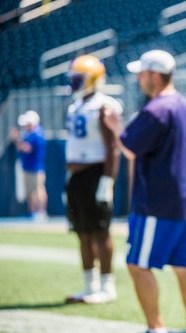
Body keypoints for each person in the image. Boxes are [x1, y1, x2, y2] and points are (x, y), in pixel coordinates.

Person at [103, 49, 186, 333]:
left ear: (154, 75)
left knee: (137, 264)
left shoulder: (157, 109)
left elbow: (129, 148)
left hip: (159, 203)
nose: (138, 78)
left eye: (142, 73)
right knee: (185, 267)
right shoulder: (183, 106)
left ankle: (156, 328)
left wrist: (114, 127)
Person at [64, 54, 122, 304]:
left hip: (95, 174)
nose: (75, 83)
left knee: (100, 233)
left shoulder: (104, 105)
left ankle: (108, 287)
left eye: (79, 79)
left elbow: (113, 148)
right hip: (76, 177)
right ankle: (90, 287)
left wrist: (107, 183)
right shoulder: (75, 106)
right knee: (82, 233)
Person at [10, 110, 47, 222]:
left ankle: (40, 212)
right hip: (28, 168)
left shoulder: (37, 134)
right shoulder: (29, 134)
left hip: (36, 169)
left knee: (38, 191)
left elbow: (26, 148)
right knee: (30, 192)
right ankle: (33, 212)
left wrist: (16, 139)